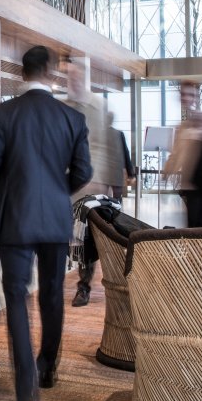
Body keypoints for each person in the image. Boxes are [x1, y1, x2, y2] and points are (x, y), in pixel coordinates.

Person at [0, 46, 92, 401]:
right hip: (56, 218)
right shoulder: (72, 118)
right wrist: (58, 192)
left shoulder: (3, 113)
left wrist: (8, 195)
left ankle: (26, 391)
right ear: (50, 73)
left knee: (16, 296)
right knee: (52, 294)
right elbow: (84, 172)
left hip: (15, 217)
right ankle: (47, 367)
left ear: (21, 73)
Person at [64, 59, 118, 308]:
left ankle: (84, 285)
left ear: (85, 78)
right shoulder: (64, 106)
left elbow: (109, 146)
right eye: (69, 78)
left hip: (93, 183)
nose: (72, 82)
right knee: (70, 236)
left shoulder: (99, 106)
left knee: (87, 237)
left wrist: (109, 183)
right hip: (68, 183)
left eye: (76, 77)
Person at [163, 81, 202, 228]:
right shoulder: (181, 127)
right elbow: (177, 153)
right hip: (190, 186)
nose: (186, 98)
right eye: (183, 94)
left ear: (196, 97)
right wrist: (167, 172)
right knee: (193, 226)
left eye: (190, 94)